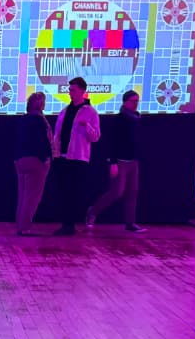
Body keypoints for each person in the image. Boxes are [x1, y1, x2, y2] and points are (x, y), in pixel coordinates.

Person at [86, 90, 145, 233]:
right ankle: (92, 212)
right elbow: (112, 141)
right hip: (120, 161)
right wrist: (112, 162)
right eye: (133, 101)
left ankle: (130, 223)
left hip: (133, 161)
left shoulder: (137, 118)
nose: (135, 104)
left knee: (132, 192)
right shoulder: (119, 119)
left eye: (137, 101)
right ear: (125, 102)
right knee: (117, 192)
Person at [51, 77, 101, 236]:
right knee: (63, 191)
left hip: (79, 159)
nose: (70, 93)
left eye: (73, 90)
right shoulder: (65, 111)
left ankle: (70, 225)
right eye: (69, 89)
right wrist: (55, 152)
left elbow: (96, 137)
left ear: (82, 91)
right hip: (62, 157)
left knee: (74, 192)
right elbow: (57, 134)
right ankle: (65, 224)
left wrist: (87, 126)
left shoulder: (90, 112)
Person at [14, 91, 55, 236]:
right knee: (32, 196)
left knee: (23, 195)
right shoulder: (39, 120)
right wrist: (46, 158)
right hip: (35, 160)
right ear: (40, 104)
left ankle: (20, 225)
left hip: (20, 159)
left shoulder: (23, 119)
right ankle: (25, 227)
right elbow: (42, 142)